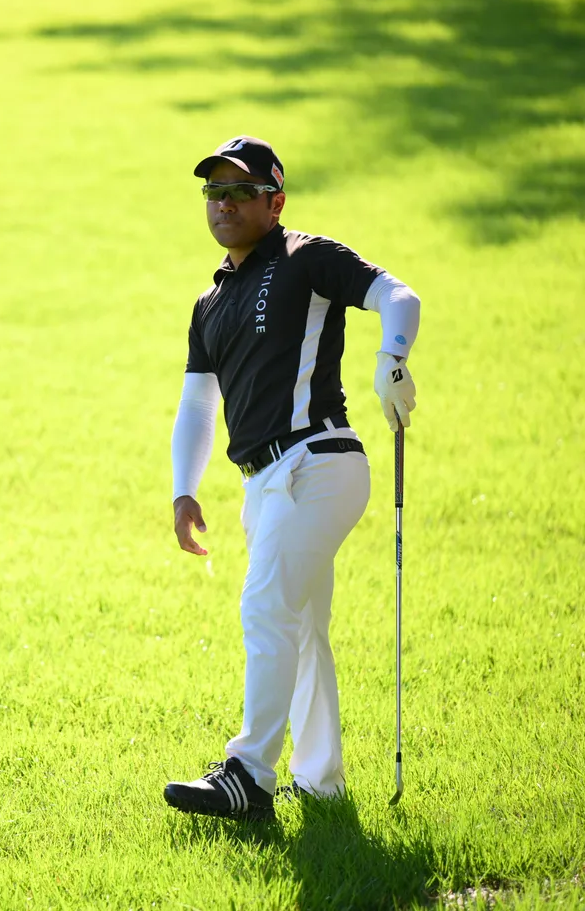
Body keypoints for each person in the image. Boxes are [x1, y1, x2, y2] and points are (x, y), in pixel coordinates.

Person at [162, 136, 420, 818]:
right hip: (264, 482)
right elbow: (198, 403)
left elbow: (398, 295)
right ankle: (320, 779)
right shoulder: (210, 302)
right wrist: (184, 488)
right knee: (300, 624)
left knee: (265, 607)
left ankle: (248, 775)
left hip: (320, 462)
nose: (225, 203)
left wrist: (392, 359)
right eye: (215, 192)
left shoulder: (305, 257)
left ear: (274, 202)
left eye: (241, 191)